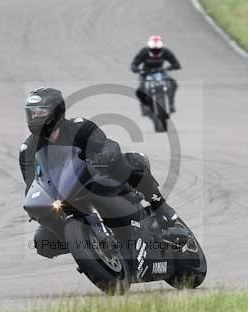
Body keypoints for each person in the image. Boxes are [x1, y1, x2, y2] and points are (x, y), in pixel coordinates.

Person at [19, 87, 178, 259]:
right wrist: (35, 207)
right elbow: (32, 184)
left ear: (57, 112)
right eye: (32, 113)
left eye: (41, 112)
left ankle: (160, 206)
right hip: (65, 199)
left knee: (131, 160)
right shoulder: (28, 149)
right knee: (42, 242)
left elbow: (108, 145)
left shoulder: (79, 127)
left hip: (98, 180)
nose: (35, 117)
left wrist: (105, 155)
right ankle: (89, 250)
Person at [130, 35, 180, 112]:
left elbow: (175, 63)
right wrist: (137, 69)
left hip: (160, 72)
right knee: (141, 89)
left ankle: (171, 104)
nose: (155, 51)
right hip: (146, 72)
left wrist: (172, 67)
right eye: (153, 49)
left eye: (157, 49)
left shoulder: (166, 52)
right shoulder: (144, 52)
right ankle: (144, 105)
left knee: (173, 84)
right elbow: (134, 64)